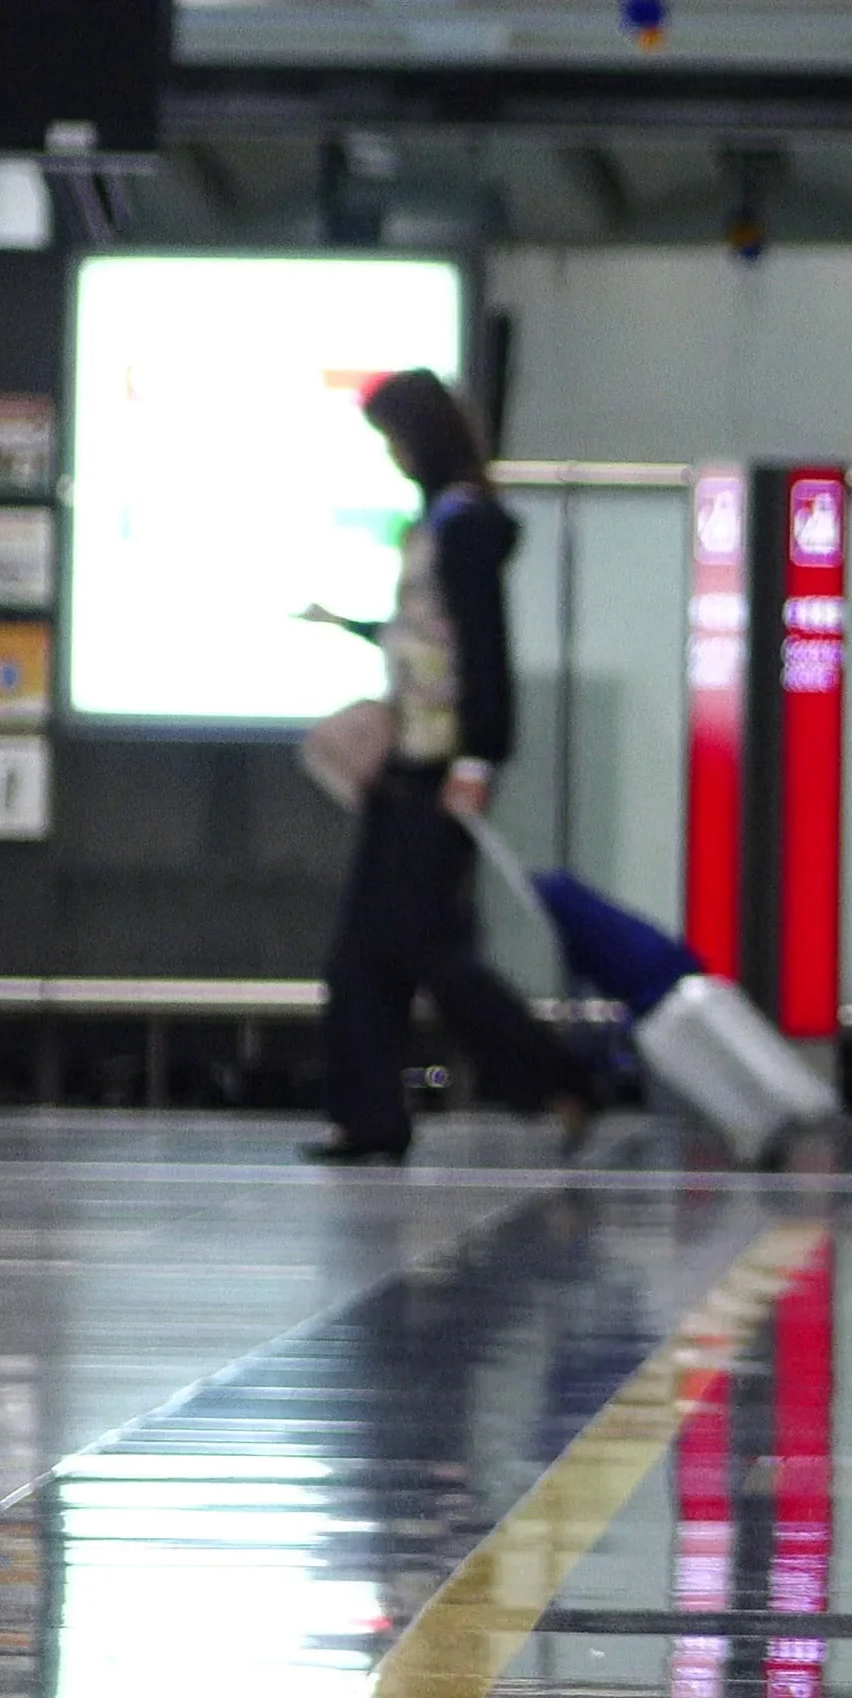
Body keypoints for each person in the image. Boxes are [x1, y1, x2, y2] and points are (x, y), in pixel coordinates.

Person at [302, 370, 594, 1166]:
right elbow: (430, 643)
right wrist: (356, 627)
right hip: (410, 764)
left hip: (438, 770)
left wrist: (478, 756)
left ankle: (557, 1076)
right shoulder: (442, 522)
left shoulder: (462, 528)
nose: (392, 458)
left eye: (394, 441)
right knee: (370, 949)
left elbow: (482, 655)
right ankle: (370, 1117)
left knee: (422, 948)